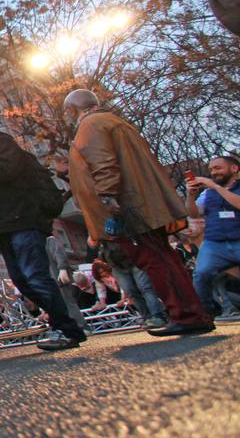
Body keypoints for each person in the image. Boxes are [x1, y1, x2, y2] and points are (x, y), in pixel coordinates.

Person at [62, 90, 212, 336]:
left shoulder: (91, 125)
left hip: (129, 210)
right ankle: (190, 312)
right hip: (140, 205)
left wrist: (111, 206)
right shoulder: (112, 121)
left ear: (72, 110)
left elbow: (103, 165)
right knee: (161, 257)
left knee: (155, 261)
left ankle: (186, 314)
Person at [0, 111, 86, 351]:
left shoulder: (1, 143)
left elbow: (4, 172)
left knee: (35, 277)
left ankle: (66, 329)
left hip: (22, 220)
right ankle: (62, 324)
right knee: (22, 281)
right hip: (2, 225)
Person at [184, 154, 240, 323]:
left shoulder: (216, 189)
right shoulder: (208, 193)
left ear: (234, 169)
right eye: (211, 170)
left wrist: (216, 188)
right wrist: (190, 196)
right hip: (215, 243)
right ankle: (204, 315)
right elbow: (193, 213)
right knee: (201, 273)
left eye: (217, 168)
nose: (213, 172)